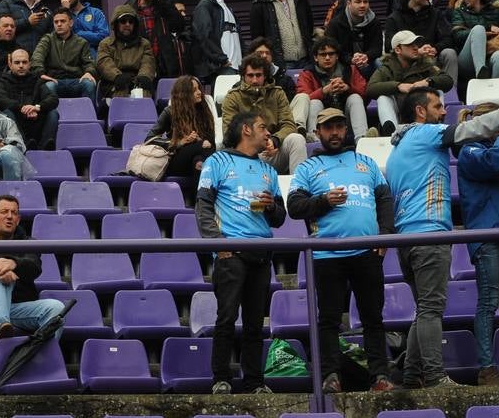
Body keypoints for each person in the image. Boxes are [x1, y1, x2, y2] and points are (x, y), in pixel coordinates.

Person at [387, 85, 499, 387]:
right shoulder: (423, 134)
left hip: (405, 237)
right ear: (420, 112)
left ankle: (410, 374)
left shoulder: (398, 149)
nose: (444, 111)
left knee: (424, 310)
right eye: (437, 106)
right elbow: (473, 128)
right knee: (432, 310)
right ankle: (434, 377)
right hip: (429, 233)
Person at [287, 110, 396, 393]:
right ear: (318, 133)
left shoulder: (366, 162)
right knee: (329, 319)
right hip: (327, 254)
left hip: (366, 252)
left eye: (338, 127)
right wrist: (323, 200)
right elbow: (294, 207)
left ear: (346, 129)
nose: (334, 133)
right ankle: (331, 376)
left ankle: (380, 376)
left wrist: (384, 236)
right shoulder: (308, 168)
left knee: (373, 317)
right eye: (328, 128)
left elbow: (384, 200)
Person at [196, 112, 285, 394]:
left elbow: (279, 218)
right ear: (246, 130)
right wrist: (218, 244)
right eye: (262, 127)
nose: (268, 132)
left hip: (262, 252)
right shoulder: (217, 161)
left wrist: (270, 207)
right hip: (231, 251)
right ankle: (221, 378)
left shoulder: (269, 170)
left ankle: (254, 382)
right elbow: (203, 207)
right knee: (226, 318)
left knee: (255, 323)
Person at [456, 103, 499, 385]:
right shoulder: (468, 151)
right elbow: (492, 163)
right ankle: (487, 369)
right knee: (488, 302)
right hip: (485, 234)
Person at [0, 195, 66, 342]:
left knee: (56, 309)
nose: (10, 216)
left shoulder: (29, 242)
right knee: (0, 276)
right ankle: (0, 337)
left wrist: (14, 263)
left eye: (14, 213)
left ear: (18, 220)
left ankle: (37, 354)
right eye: (4, 211)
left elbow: (34, 267)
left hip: (15, 309)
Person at [220, 54, 307, 173]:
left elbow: (289, 125)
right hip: (245, 156)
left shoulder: (277, 93)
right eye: (250, 75)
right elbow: (229, 134)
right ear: (243, 77)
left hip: (273, 152)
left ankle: (298, 188)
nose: (254, 80)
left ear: (265, 76)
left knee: (297, 139)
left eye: (258, 75)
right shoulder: (232, 97)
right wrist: (260, 143)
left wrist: (274, 141)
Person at [366, 30, 456, 135]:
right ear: (398, 50)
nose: (416, 48)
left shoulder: (425, 64)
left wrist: (428, 82)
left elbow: (448, 81)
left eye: (415, 44)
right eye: (409, 45)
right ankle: (392, 133)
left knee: (438, 91)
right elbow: (370, 88)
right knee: (383, 98)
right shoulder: (387, 68)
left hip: (424, 110)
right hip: (400, 111)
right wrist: (398, 86)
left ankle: (436, 125)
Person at [385, 0, 460, 86]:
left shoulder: (435, 13)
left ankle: (451, 95)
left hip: (433, 57)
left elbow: (448, 38)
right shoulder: (394, 18)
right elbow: (390, 46)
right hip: (408, 62)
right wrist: (417, 52)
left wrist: (435, 48)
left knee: (449, 53)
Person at [295, 37, 370, 136]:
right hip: (322, 122)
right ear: (315, 57)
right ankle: (315, 142)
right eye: (322, 54)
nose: (327, 58)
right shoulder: (307, 74)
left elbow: (366, 95)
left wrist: (348, 89)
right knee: (314, 103)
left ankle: (362, 140)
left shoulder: (350, 69)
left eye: (331, 54)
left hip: (346, 120)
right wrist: (323, 91)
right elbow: (303, 101)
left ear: (337, 56)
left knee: (355, 98)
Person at [147, 75, 216, 177]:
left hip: (199, 157)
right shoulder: (170, 112)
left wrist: (198, 139)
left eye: (199, 89)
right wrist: (179, 142)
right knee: (203, 147)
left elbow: (211, 143)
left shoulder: (204, 112)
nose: (199, 92)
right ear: (184, 94)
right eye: (194, 90)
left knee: (198, 162)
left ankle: (199, 193)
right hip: (176, 159)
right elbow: (149, 139)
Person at [0, 48, 60, 150]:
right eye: (17, 62)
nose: (21, 65)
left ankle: (46, 146)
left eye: (24, 62)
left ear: (29, 64)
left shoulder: (38, 80)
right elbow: (0, 99)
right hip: (16, 121)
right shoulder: (2, 82)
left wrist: (37, 107)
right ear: (10, 65)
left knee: (53, 113)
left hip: (36, 120)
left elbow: (53, 99)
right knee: (7, 113)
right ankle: (21, 145)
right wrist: (23, 108)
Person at [249, 0, 314, 67]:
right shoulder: (258, 5)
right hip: (280, 63)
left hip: (306, 59)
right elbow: (258, 39)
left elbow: (309, 24)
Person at [31, 8, 99, 106]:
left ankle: (88, 118)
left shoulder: (81, 42)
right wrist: (40, 72)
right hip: (54, 80)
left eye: (62, 21)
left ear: (71, 23)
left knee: (89, 84)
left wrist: (89, 72)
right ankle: (52, 118)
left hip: (76, 80)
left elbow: (89, 62)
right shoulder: (47, 39)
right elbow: (37, 56)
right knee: (48, 86)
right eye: (56, 22)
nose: (59, 24)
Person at [129, 0, 189, 79]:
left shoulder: (163, 5)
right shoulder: (130, 9)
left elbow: (179, 25)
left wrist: (166, 1)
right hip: (141, 62)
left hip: (164, 61)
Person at [96, 4, 157, 99]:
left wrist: (144, 77)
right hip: (113, 82)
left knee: (143, 92)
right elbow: (104, 63)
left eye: (131, 21)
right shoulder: (105, 44)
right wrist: (116, 76)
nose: (127, 24)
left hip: (138, 80)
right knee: (121, 89)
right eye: (123, 21)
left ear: (135, 25)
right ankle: (120, 114)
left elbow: (148, 63)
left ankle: (144, 114)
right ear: (116, 24)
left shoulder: (144, 44)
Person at [190, 0, 241, 81]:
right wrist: (221, 59)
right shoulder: (205, 6)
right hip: (224, 68)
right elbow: (204, 35)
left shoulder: (226, 8)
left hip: (237, 67)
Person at [324, 0, 384, 75]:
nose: (362, 5)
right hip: (344, 64)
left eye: (365, 2)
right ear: (348, 3)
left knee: (379, 64)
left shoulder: (374, 22)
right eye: (358, 2)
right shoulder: (335, 24)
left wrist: (366, 56)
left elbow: (377, 49)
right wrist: (351, 59)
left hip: (367, 62)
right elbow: (333, 50)